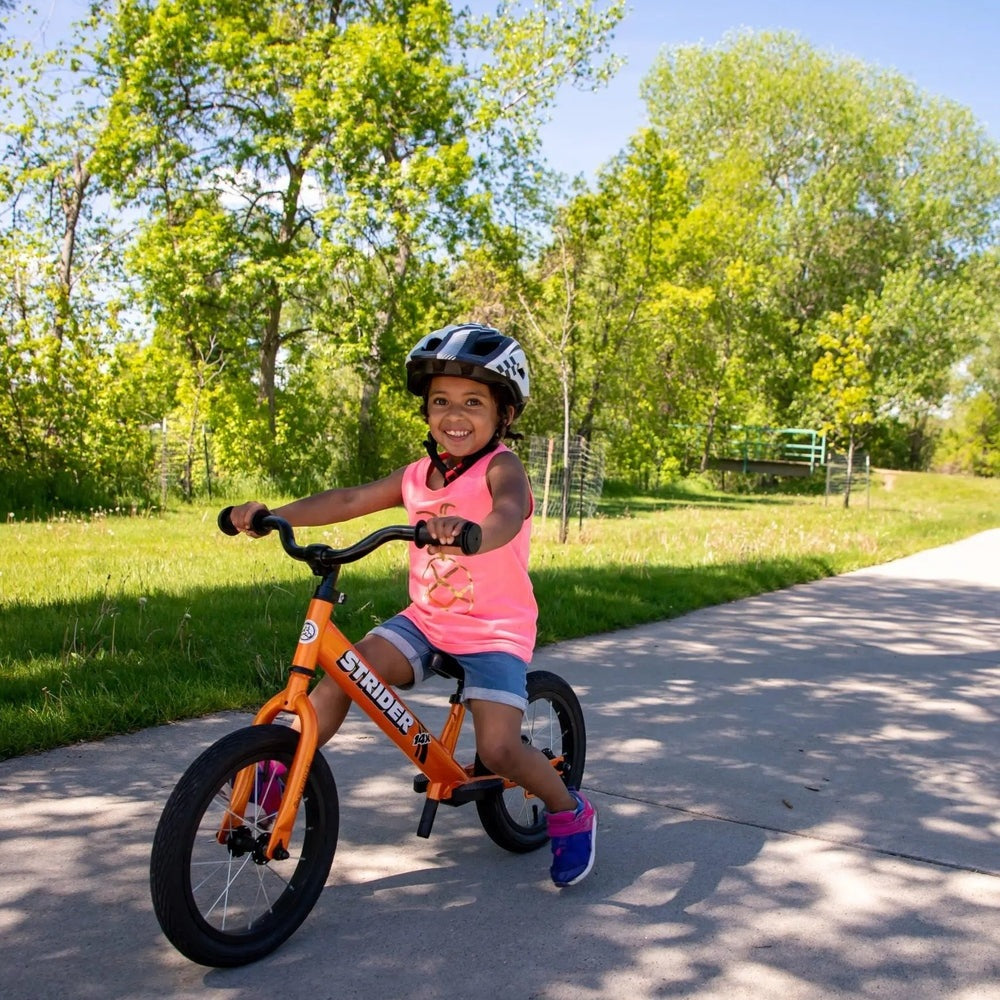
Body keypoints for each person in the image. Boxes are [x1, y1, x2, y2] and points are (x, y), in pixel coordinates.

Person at [229, 323, 596, 888]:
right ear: (426, 411)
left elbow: (508, 511)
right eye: (441, 402)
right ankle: (282, 769)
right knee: (341, 677)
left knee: (498, 749)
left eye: (473, 402)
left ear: (504, 415)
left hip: (494, 630)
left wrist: (471, 530)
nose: (455, 414)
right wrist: (275, 514)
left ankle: (569, 812)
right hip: (426, 621)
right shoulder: (416, 476)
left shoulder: (502, 468)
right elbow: (349, 499)